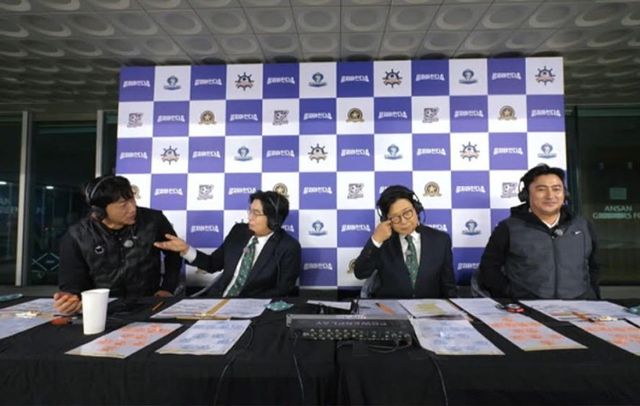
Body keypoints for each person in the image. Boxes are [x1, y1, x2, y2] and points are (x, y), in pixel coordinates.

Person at [54, 175, 182, 314]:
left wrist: (167, 288)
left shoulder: (154, 220)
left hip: (149, 303)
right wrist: (70, 300)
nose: (132, 208)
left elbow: (174, 253)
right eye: (123, 205)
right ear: (100, 210)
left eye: (132, 199)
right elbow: (71, 283)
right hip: (100, 310)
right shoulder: (76, 235)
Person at [477, 164, 599, 299]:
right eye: (541, 189)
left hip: (579, 306)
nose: (550, 196)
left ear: (565, 194)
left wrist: (591, 296)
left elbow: (594, 267)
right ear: (526, 194)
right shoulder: (508, 228)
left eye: (556, 189)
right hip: (527, 308)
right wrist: (511, 293)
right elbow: (489, 268)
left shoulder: (582, 226)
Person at [154, 190, 301, 298]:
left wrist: (243, 305)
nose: (249, 217)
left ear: (274, 219)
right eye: (250, 211)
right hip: (216, 301)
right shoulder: (239, 232)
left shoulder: (288, 247)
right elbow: (212, 264)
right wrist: (186, 250)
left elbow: (283, 290)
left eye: (256, 213)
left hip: (252, 311)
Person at [353, 185, 457, 298]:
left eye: (407, 213)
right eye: (395, 217)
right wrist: (376, 240)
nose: (403, 221)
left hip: (429, 307)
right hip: (390, 307)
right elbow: (360, 273)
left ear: (416, 209)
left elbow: (449, 287)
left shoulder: (440, 240)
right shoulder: (382, 242)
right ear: (386, 220)